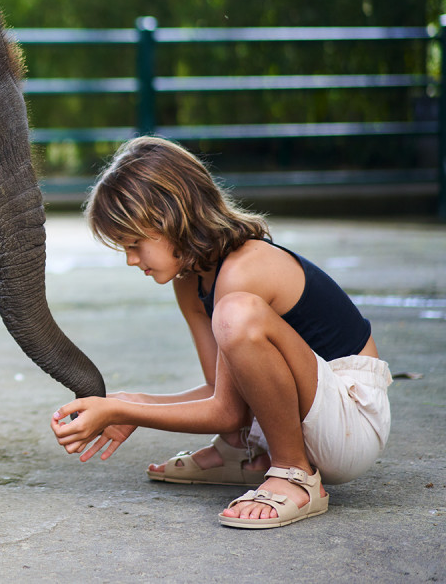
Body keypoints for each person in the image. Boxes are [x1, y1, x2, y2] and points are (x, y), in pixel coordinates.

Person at [49, 136, 390, 529]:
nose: (130, 259)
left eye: (135, 244)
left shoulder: (246, 267)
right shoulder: (189, 282)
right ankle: (240, 453)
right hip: (305, 417)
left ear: (171, 218)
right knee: (233, 320)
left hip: (352, 421)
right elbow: (224, 397)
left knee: (236, 313)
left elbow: (226, 411)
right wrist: (130, 400)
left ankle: (295, 475)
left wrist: (125, 411)